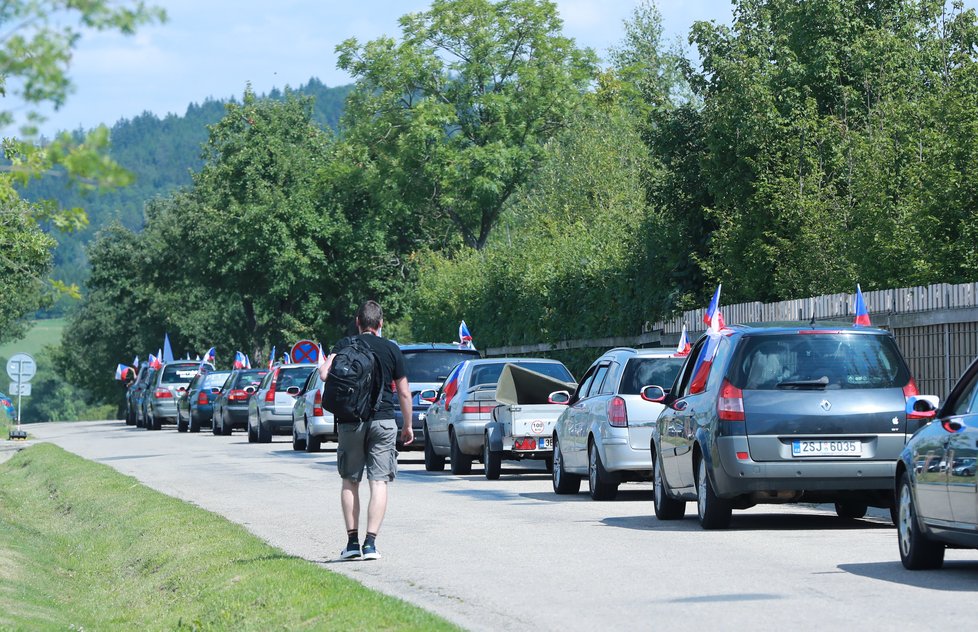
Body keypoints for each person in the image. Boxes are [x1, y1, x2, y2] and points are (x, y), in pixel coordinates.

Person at [320, 300, 413, 560]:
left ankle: (351, 544)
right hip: (383, 421)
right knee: (379, 481)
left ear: (358, 322)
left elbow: (325, 374)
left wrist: (327, 362)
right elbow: (404, 393)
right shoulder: (391, 349)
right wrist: (407, 426)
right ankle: (370, 544)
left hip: (351, 421)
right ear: (380, 324)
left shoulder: (344, 345)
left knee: (350, 480)